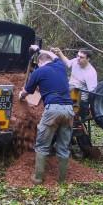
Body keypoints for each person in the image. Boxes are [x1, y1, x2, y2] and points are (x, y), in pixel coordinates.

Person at [19, 45, 74, 184]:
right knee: (63, 147)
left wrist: (21, 95)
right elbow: (54, 56)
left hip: (52, 110)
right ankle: (61, 180)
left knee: (42, 146)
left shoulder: (39, 72)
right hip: (69, 110)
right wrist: (39, 50)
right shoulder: (60, 66)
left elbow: (28, 91)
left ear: (40, 62)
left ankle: (37, 178)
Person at [52, 48, 97, 121]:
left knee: (73, 90)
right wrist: (60, 53)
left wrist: (91, 108)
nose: (78, 59)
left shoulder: (91, 73)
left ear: (88, 59)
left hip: (80, 100)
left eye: (81, 57)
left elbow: (92, 92)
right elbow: (68, 63)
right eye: (78, 56)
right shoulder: (76, 61)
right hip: (68, 92)